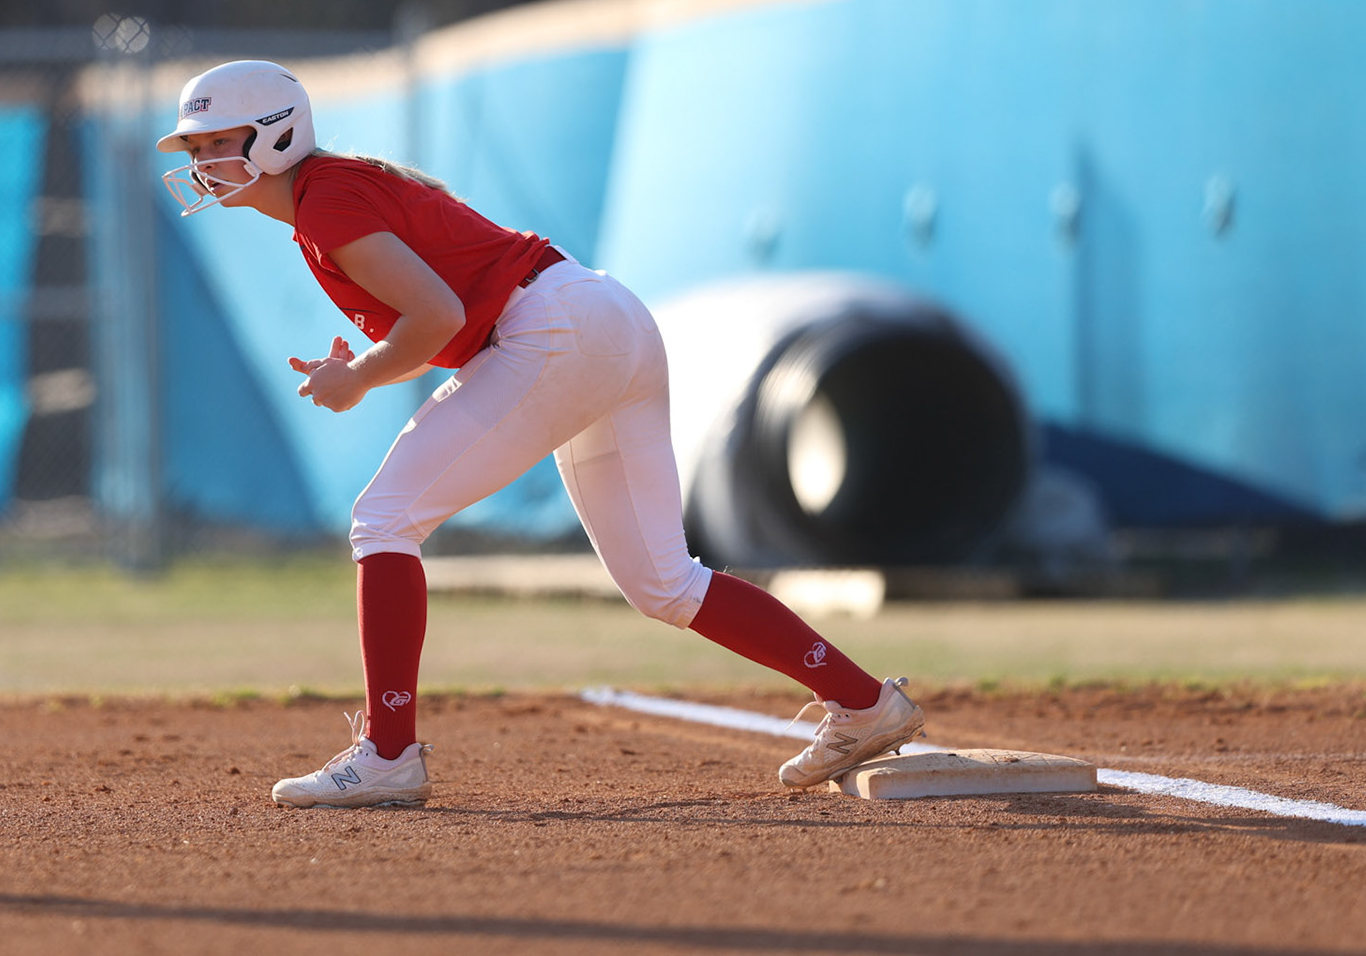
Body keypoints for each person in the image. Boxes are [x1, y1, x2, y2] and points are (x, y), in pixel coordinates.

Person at [159, 60, 925, 809]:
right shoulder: (332, 195)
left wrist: (358, 376)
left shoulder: (327, 203)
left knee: (384, 517)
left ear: (275, 137)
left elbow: (438, 320)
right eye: (194, 148)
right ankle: (864, 704)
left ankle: (390, 754)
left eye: (214, 141)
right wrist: (364, 367)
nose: (201, 160)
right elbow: (440, 319)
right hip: (596, 315)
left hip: (553, 328)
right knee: (665, 584)